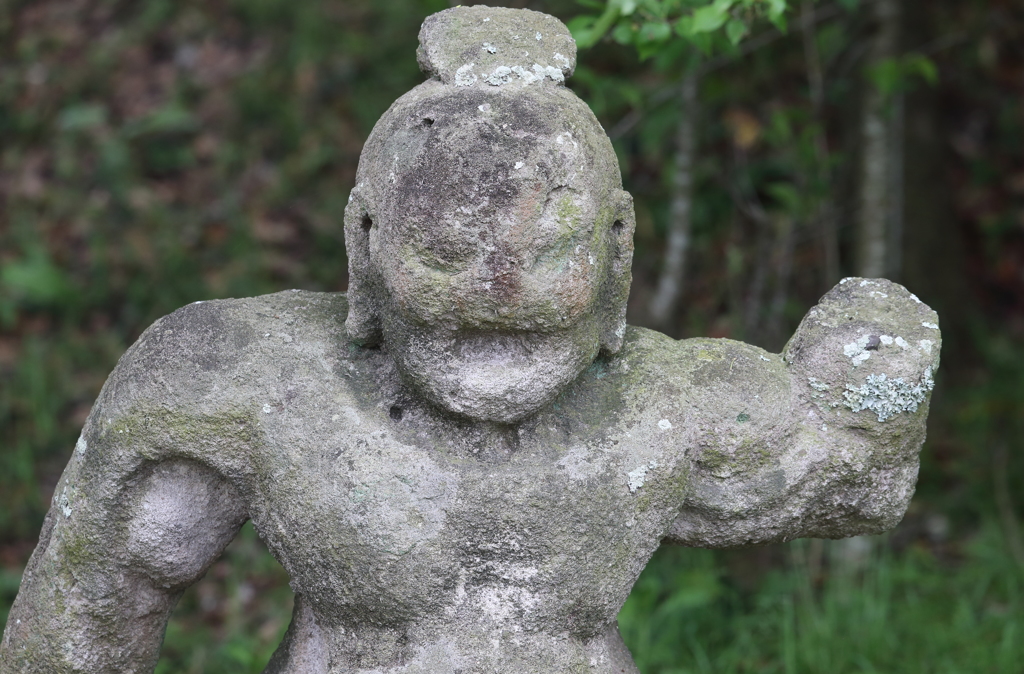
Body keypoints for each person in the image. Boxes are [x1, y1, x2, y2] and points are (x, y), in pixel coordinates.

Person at [0, 7, 940, 673]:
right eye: (445, 253)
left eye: (546, 254)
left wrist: (880, 354)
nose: (497, 295)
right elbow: (82, 617)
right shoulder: (248, 386)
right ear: (363, 245)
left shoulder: (667, 406)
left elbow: (853, 471)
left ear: (618, 248)